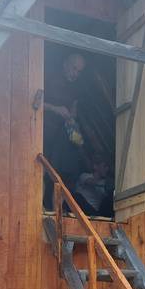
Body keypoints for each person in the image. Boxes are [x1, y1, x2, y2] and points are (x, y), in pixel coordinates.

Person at [43, 52, 87, 208]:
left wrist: (72, 118)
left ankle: (57, 208)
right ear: (65, 64)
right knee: (42, 171)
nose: (75, 74)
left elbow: (74, 110)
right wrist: (55, 109)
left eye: (79, 71)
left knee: (63, 172)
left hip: (61, 138)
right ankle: (42, 206)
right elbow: (32, 102)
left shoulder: (76, 89)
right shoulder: (47, 77)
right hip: (42, 133)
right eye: (73, 68)